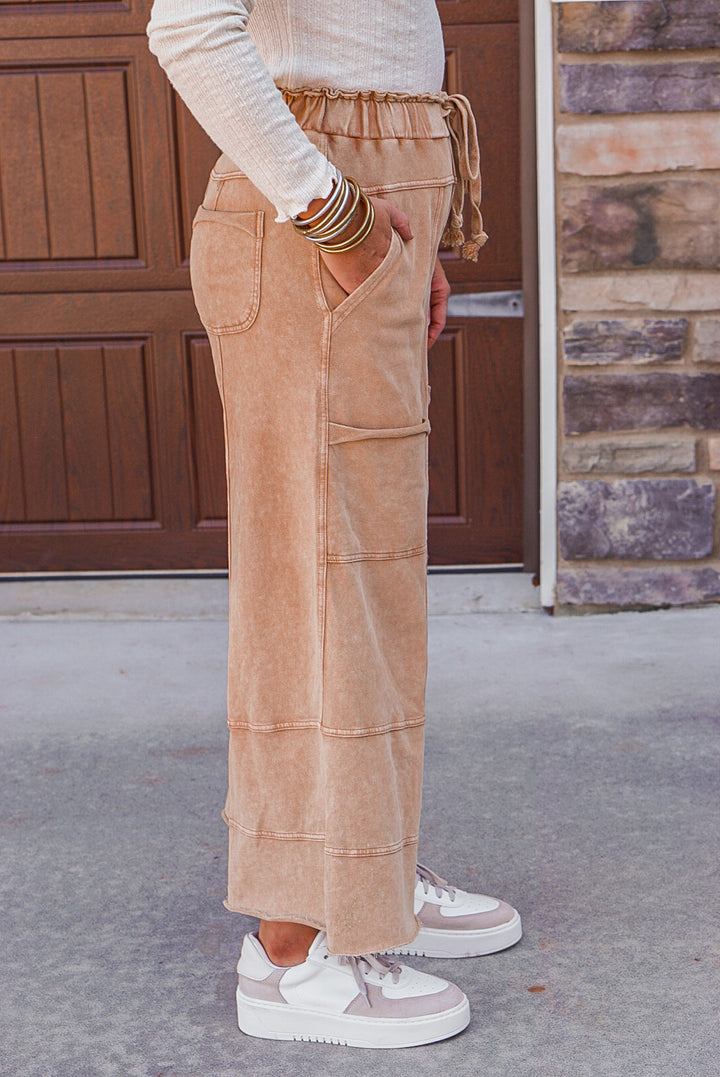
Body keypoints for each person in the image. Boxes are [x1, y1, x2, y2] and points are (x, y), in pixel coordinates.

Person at [146, 0, 521, 1049]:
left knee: (368, 575)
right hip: (312, 225)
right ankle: (289, 952)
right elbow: (189, 28)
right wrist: (337, 212)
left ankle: (370, 879)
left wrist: (405, 235)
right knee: (312, 577)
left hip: (364, 216)